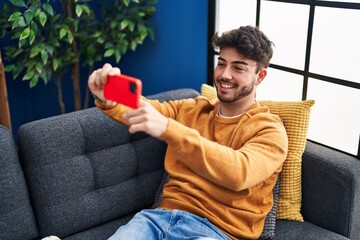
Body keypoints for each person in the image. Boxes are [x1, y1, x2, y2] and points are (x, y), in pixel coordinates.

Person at [88, 25, 288, 240]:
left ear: (260, 76)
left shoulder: (269, 130)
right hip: (156, 220)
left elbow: (240, 173)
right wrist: (108, 95)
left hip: (217, 232)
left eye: (238, 68)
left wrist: (169, 129)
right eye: (221, 64)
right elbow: (147, 110)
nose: (225, 74)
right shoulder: (193, 108)